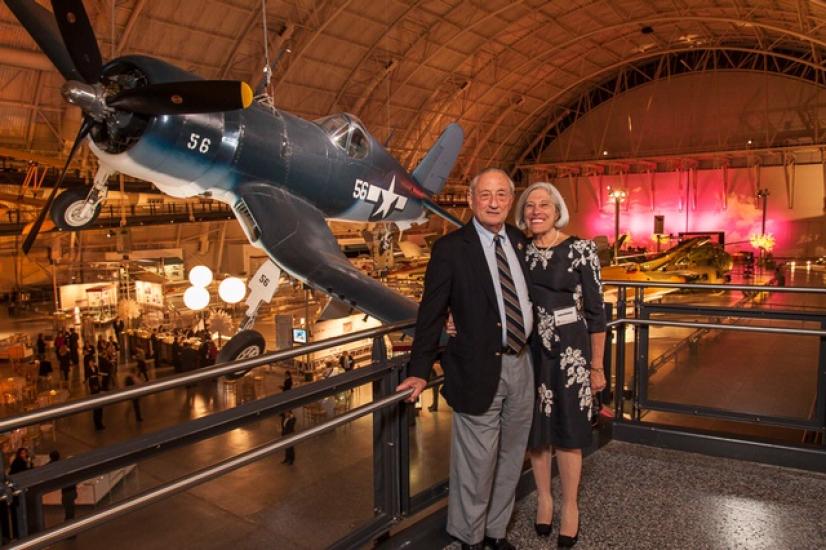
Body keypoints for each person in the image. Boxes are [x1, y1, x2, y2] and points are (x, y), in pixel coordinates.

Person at [397, 168, 534, 550]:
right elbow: (431, 313)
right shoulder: (451, 248)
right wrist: (419, 371)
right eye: (485, 194)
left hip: (522, 364)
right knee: (476, 462)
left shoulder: (520, 242)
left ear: (510, 200)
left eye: (502, 195)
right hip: (476, 368)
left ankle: (496, 532)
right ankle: (469, 537)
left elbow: (525, 299)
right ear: (471, 200)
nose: (493, 202)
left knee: (511, 457)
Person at [514, 182, 607, 547]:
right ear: (523, 214)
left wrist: (596, 366)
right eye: (530, 205)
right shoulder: (520, 251)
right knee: (538, 433)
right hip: (532, 349)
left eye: (544, 205)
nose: (536, 211)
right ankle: (544, 500)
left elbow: (597, 313)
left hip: (571, 352)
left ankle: (570, 506)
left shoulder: (581, 250)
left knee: (568, 432)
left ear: (557, 210)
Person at [48, 450, 77, 522]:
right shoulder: (63, 464)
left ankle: (69, 521)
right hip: (70, 488)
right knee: (70, 507)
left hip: (68, 490)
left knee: (68, 506)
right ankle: (70, 521)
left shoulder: (55, 465)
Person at [85, 358, 105, 430]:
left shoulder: (96, 368)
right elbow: (87, 379)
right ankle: (97, 424)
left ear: (93, 362)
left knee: (100, 408)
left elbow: (97, 375)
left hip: (97, 386)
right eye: (89, 363)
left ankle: (100, 423)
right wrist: (89, 389)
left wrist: (99, 382)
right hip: (93, 388)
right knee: (96, 408)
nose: (90, 364)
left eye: (91, 362)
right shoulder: (87, 370)